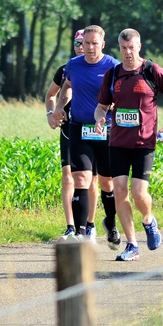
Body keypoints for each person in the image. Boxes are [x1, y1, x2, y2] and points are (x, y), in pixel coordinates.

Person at [94, 28, 163, 261]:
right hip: (118, 142)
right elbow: (102, 105)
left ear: (139, 47)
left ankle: (148, 220)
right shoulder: (113, 74)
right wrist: (99, 117)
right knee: (120, 190)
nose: (128, 53)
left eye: (131, 48)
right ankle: (132, 244)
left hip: (144, 142)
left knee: (139, 192)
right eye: (123, 49)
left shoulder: (151, 70)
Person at [57, 25, 121, 246]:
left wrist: (113, 105)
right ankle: (82, 233)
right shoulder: (73, 66)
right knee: (81, 180)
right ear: (81, 45)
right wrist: (59, 107)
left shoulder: (113, 66)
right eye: (87, 43)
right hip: (80, 128)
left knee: (106, 182)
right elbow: (66, 87)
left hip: (106, 130)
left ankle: (111, 223)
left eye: (95, 43)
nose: (91, 47)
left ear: (102, 44)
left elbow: (122, 95)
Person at [45, 29, 98, 240]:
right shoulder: (66, 69)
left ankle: (90, 225)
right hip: (69, 128)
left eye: (83, 43)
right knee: (68, 178)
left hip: (93, 129)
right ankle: (70, 226)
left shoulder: (101, 68)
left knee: (91, 180)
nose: (80, 47)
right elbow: (51, 94)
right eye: (77, 43)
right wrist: (51, 113)